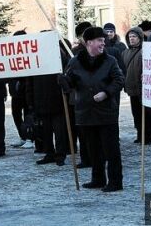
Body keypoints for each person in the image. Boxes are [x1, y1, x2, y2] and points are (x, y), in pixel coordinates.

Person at [60, 27, 125, 192]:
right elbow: (71, 84)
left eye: (103, 41)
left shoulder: (110, 61)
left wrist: (106, 92)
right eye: (99, 41)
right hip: (85, 112)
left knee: (111, 149)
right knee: (93, 148)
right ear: (89, 43)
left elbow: (119, 80)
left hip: (106, 112)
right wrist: (63, 81)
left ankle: (115, 182)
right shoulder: (75, 62)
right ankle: (98, 179)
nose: (103, 44)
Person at [26, 38, 71, 166]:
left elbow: (68, 74)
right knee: (45, 130)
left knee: (59, 131)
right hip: (41, 100)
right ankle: (49, 153)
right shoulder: (35, 60)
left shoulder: (59, 56)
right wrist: (30, 100)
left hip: (57, 100)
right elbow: (30, 82)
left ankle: (60, 155)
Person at [122, 26, 151, 144]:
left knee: (146, 114)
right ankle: (140, 135)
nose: (132, 39)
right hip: (131, 89)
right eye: (130, 37)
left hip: (143, 88)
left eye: (134, 36)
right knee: (136, 114)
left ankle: (149, 137)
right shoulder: (125, 52)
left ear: (140, 37)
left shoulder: (145, 50)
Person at [70, 21, 93, 168]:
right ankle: (86, 158)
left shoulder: (102, 51)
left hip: (96, 98)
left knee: (93, 132)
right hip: (79, 98)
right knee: (82, 130)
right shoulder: (75, 53)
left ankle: (96, 157)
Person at [8, 30, 32, 149]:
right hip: (15, 91)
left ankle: (30, 138)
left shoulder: (28, 52)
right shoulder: (12, 52)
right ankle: (22, 136)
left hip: (26, 89)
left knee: (28, 114)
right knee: (16, 114)